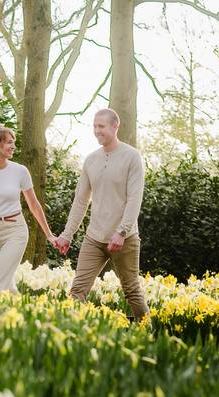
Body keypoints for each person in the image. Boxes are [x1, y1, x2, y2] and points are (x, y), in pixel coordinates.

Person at [53, 108, 149, 321]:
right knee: (77, 291)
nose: (96, 131)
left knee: (132, 290)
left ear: (116, 126)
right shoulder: (91, 160)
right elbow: (80, 201)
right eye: (94, 126)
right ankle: (75, 337)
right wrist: (67, 235)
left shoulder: (132, 157)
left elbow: (134, 199)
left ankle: (149, 335)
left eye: (101, 126)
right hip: (94, 237)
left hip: (125, 238)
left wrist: (122, 232)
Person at [0, 125, 56, 295]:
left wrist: (48, 234)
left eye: (14, 143)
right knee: (7, 285)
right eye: (9, 142)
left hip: (15, 231)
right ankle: (23, 317)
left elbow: (34, 204)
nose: (13, 146)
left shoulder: (20, 171)